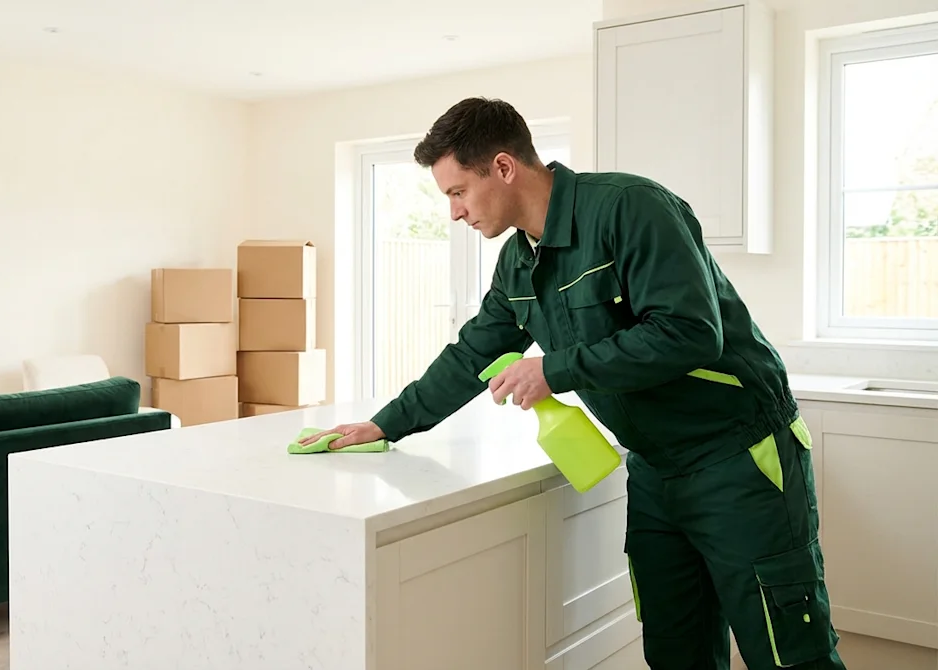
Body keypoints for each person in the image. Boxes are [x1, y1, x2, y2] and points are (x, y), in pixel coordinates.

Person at [299, 97, 847, 670]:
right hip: (657, 473)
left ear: (505, 167)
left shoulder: (631, 209)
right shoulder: (517, 263)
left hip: (739, 461)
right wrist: (383, 424)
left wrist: (553, 369)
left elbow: (688, 333)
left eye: (458, 192)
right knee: (675, 650)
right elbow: (469, 356)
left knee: (789, 653)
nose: (455, 213)